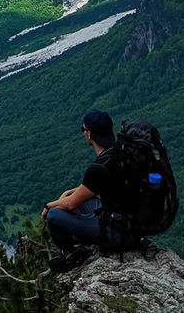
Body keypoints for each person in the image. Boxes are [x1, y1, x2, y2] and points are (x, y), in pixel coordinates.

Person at [40, 109, 124, 267]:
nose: (83, 132)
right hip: (130, 224)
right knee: (80, 200)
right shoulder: (119, 152)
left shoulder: (99, 166)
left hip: (114, 233)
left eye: (83, 129)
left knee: (53, 214)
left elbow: (71, 204)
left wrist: (48, 205)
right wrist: (68, 193)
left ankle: (73, 253)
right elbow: (90, 187)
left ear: (89, 134)